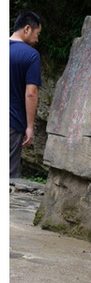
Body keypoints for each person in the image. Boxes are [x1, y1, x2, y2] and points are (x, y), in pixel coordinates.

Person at [9, 12, 43, 179]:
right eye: (37, 34)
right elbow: (31, 93)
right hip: (12, 123)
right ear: (27, 29)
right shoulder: (30, 55)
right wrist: (30, 126)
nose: (37, 40)